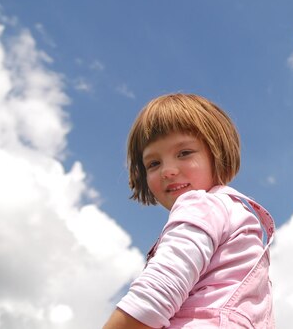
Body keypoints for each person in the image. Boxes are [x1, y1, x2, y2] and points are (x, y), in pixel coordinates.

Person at [103, 93, 275, 329]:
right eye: (154, 163)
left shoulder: (201, 206)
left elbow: (155, 295)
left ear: (217, 153)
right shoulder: (237, 216)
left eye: (184, 153)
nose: (168, 170)